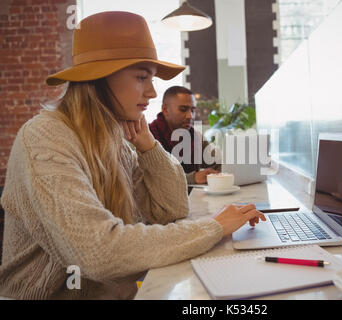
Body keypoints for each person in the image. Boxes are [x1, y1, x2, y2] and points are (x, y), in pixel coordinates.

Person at [0, 11, 265, 300]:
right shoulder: (44, 138)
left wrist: (148, 145)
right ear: (98, 79)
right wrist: (213, 227)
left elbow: (172, 208)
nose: (152, 92)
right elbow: (97, 251)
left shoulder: (119, 138)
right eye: (141, 77)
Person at [149, 86, 220, 184]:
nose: (190, 116)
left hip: (194, 198)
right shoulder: (148, 137)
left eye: (193, 110)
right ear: (165, 109)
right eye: (183, 109)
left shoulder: (195, 136)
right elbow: (154, 178)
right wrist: (193, 178)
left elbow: (217, 163)